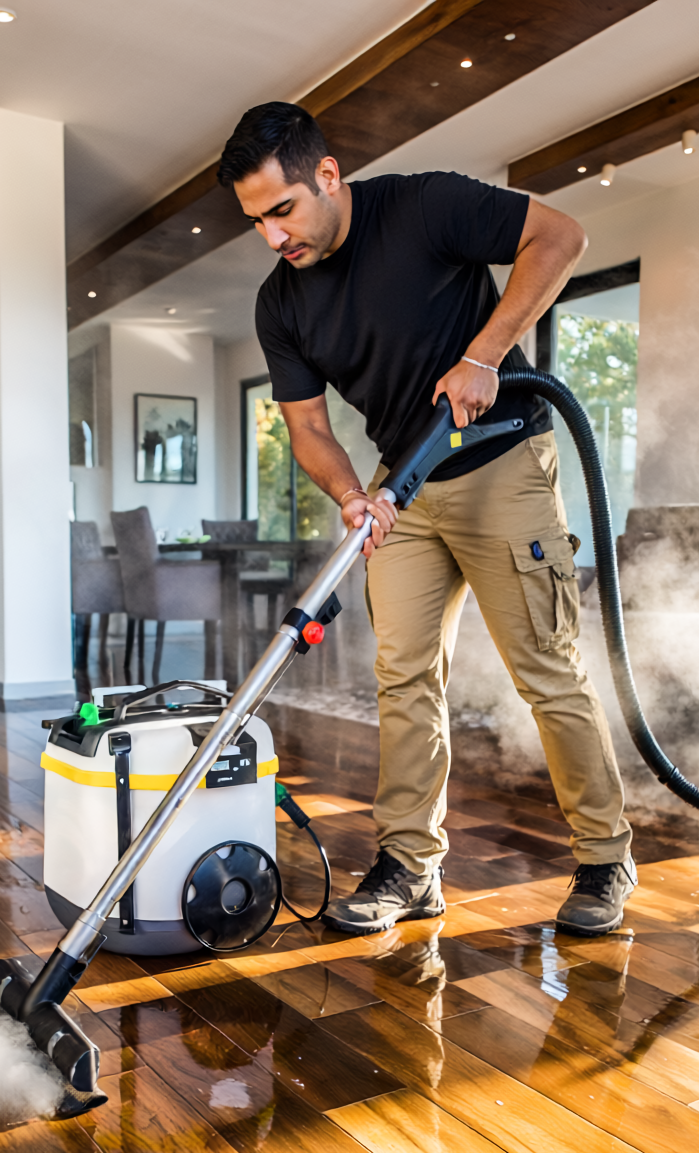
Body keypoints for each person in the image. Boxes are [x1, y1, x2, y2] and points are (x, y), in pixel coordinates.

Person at [218, 102, 636, 938]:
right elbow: (307, 427)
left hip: (501, 460)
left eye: (282, 210)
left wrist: (484, 354)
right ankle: (409, 867)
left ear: (326, 176)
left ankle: (604, 856)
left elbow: (560, 237)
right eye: (256, 220)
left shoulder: (422, 206)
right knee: (404, 680)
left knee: (545, 672)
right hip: (398, 488)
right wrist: (349, 495)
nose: (273, 236)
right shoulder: (282, 304)